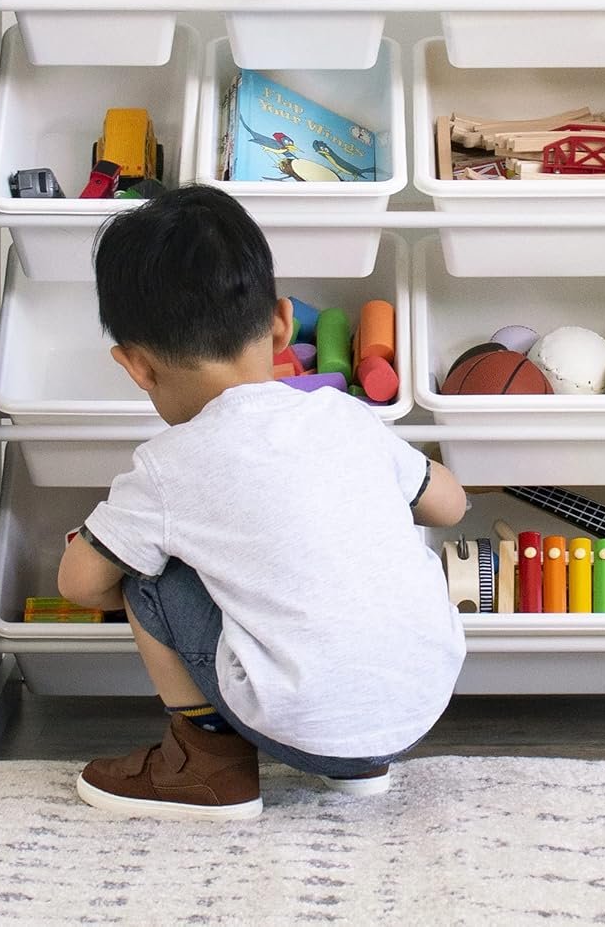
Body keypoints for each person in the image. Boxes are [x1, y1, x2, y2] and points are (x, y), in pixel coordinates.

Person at [58, 186, 467, 819]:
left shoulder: (169, 465)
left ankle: (207, 764)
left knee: (149, 573)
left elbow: (79, 584)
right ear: (281, 323)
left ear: (136, 366)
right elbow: (450, 505)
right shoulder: (346, 417)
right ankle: (361, 768)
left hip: (302, 719)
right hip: (419, 709)